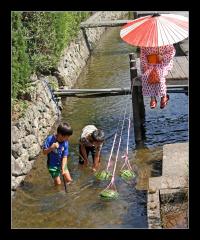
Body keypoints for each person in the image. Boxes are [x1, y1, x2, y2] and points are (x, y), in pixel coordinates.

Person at [140, 44, 176, 109]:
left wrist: (163, 57)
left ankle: (164, 96)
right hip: (150, 64)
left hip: (162, 64)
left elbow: (172, 51)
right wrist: (145, 65)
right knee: (146, 76)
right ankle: (152, 98)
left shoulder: (164, 41)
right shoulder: (145, 43)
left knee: (160, 76)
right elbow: (143, 56)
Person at [43, 122, 73, 186]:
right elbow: (44, 152)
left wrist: (63, 168)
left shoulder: (65, 142)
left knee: (69, 180)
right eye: (67, 137)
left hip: (61, 163)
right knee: (58, 183)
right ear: (60, 135)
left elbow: (65, 156)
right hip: (52, 165)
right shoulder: (50, 139)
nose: (68, 139)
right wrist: (51, 148)